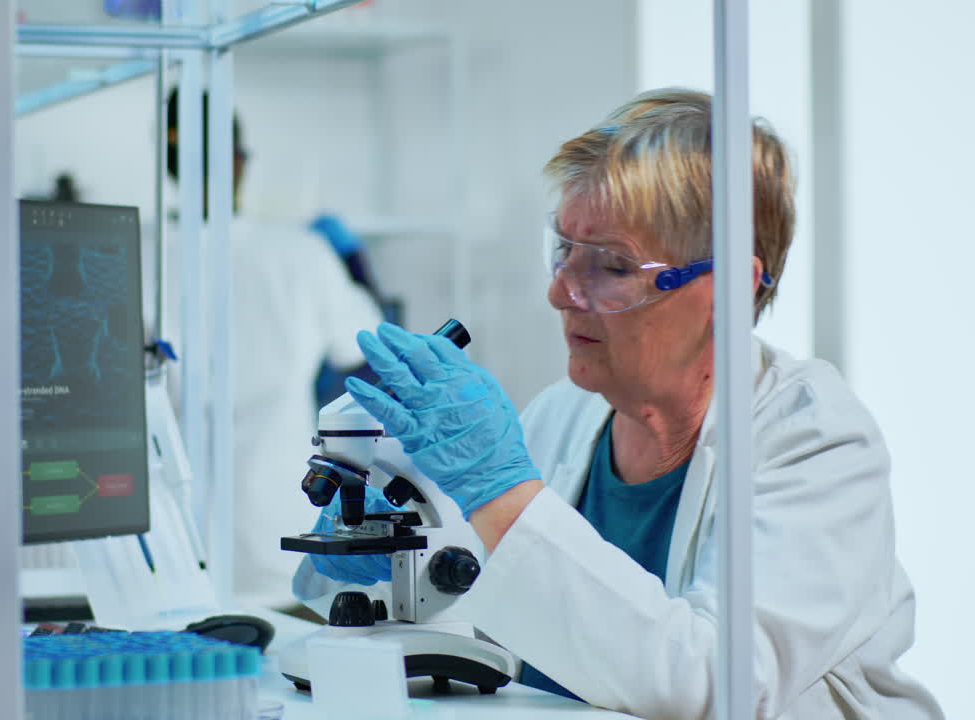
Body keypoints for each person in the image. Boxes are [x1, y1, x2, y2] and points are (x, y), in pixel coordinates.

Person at [293, 89, 943, 719]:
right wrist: (385, 547)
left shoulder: (815, 442)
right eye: (564, 250)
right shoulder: (564, 415)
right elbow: (491, 606)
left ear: (725, 290)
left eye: (609, 265)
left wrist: (501, 494)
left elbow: (713, 687)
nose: (560, 292)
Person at [165, 90, 382, 610]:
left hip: (183, 541)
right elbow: (369, 352)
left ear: (167, 162)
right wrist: (356, 269)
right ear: (242, 160)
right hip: (287, 529)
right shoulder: (302, 254)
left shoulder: (146, 259)